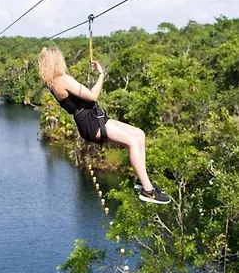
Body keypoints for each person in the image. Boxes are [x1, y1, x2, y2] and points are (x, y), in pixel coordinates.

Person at [37, 46, 170, 205]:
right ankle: (148, 191)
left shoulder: (52, 82)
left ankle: (141, 181)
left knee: (139, 134)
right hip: (91, 123)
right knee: (133, 142)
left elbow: (83, 97)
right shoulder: (62, 80)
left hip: (93, 118)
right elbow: (92, 96)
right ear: (57, 61)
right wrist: (101, 75)